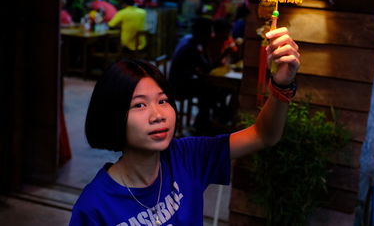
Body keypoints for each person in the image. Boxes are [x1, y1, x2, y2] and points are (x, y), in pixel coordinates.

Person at [69, 27, 300, 225]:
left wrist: (282, 84)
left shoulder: (188, 157)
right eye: (139, 105)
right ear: (113, 115)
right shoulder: (94, 206)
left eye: (163, 100)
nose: (158, 115)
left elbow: (264, 135)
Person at [168, 17, 215, 131]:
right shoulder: (191, 48)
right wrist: (206, 49)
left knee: (209, 89)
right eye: (209, 32)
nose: (211, 35)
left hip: (181, 81)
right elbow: (207, 67)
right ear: (203, 33)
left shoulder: (190, 42)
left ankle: (202, 122)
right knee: (209, 92)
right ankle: (201, 124)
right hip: (178, 86)